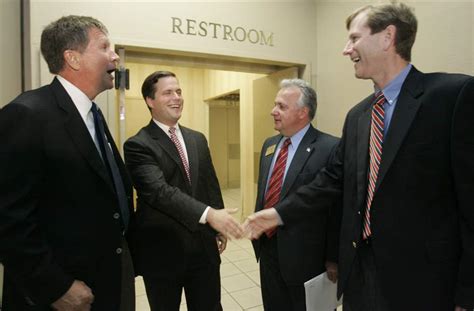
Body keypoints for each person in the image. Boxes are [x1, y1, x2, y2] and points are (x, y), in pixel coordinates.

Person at [246, 2, 474, 310]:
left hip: (425, 281)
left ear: (386, 37)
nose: (346, 49)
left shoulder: (451, 96)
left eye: (354, 38)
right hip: (360, 274)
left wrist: (467, 292)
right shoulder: (358, 116)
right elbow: (331, 180)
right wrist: (278, 213)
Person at [0, 16, 135, 310]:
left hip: (103, 282)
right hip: (60, 295)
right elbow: (8, 219)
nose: (114, 55)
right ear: (73, 58)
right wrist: (55, 286)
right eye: (104, 47)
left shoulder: (94, 116)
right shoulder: (27, 115)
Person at [123, 71, 244, 311]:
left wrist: (218, 222)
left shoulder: (197, 139)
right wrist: (210, 214)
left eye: (178, 91)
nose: (176, 97)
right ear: (150, 100)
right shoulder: (139, 145)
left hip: (203, 248)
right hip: (163, 252)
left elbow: (210, 183)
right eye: (168, 92)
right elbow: (159, 192)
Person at [244, 79, 340, 311]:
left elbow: (336, 208)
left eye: (281, 106)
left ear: (302, 112)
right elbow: (265, 192)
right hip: (268, 251)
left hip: (307, 257)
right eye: (275, 105)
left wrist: (333, 257)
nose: (273, 111)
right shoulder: (269, 145)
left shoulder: (330, 148)